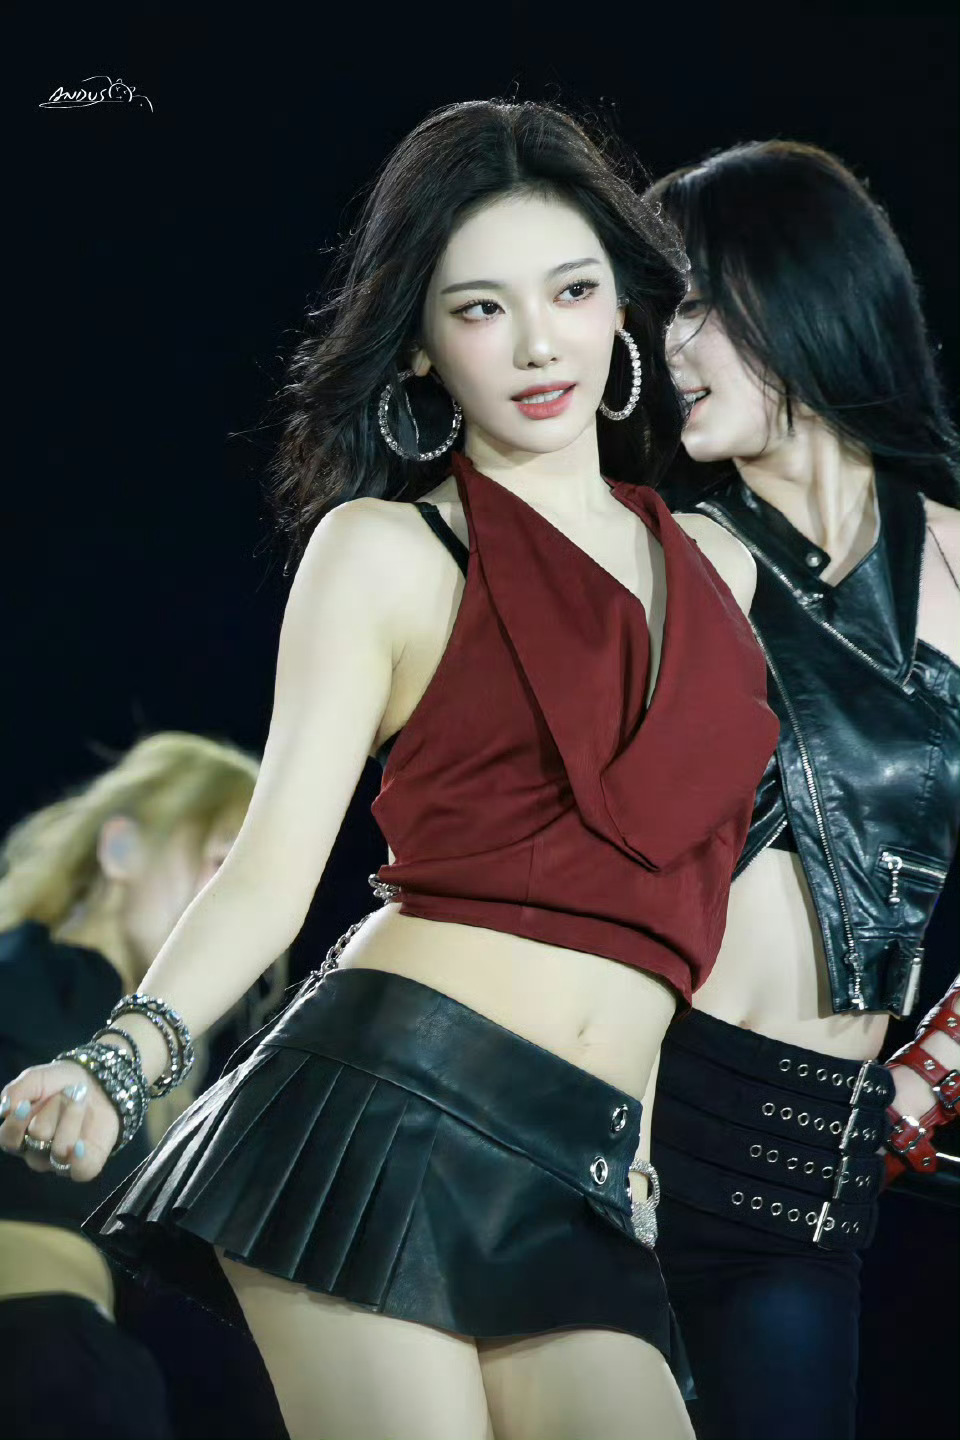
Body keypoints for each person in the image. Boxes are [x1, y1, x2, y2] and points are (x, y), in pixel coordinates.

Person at [0, 101, 778, 1440]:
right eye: (480, 309)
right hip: (388, 1112)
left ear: (621, 307)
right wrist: (122, 1062)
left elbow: (677, 910)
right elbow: (270, 871)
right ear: (419, 344)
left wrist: (643, 1162)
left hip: (588, 1175)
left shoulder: (725, 572)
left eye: (571, 291)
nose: (537, 344)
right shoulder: (386, 551)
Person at [646, 140, 960, 1440]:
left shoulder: (959, 561)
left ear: (802, 292)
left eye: (696, 303)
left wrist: (934, 1068)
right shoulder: (673, 558)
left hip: (815, 1171)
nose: (667, 345)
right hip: (631, 1126)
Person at [0, 731, 272, 1439]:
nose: (232, 902)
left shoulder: (171, 1094)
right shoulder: (37, 974)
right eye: (219, 863)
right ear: (120, 850)